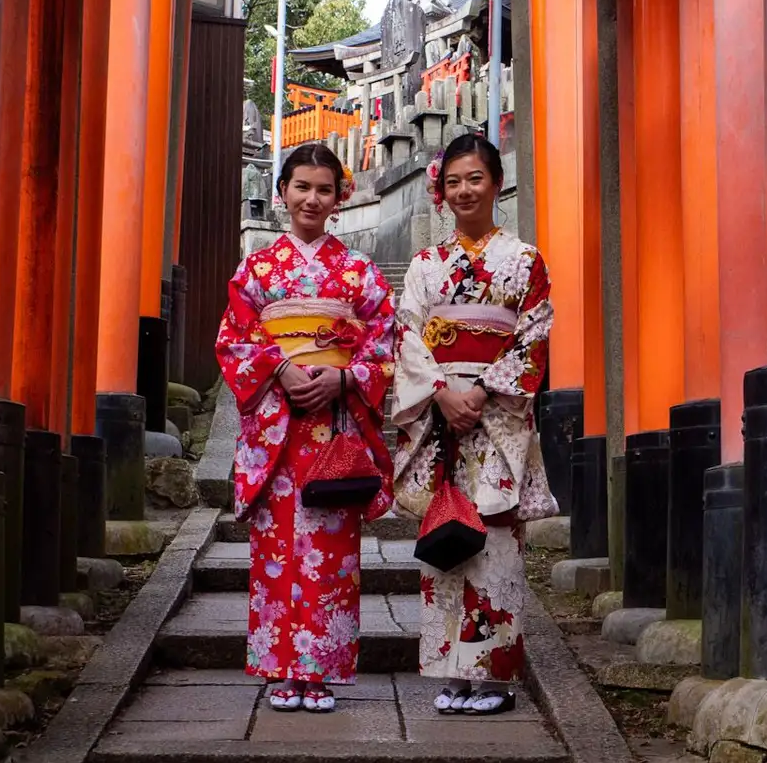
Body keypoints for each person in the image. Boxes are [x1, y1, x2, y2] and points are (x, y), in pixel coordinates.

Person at [215, 142, 396, 714]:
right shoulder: (258, 269)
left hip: (333, 429)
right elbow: (235, 339)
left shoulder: (360, 272)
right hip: (278, 429)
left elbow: (386, 339)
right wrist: (282, 368)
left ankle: (320, 671)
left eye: (324, 189)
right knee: (275, 549)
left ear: (340, 196)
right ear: (282, 194)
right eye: (301, 187)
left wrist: (346, 380)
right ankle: (280, 669)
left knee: (331, 549)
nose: (312, 199)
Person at [391, 132, 556, 716]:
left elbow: (534, 337)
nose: (464, 190)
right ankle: (450, 671)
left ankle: (493, 675)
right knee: (446, 535)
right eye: (454, 180)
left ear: (497, 183)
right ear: (442, 189)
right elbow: (406, 335)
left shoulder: (525, 260)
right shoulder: (424, 266)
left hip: (497, 414)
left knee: (497, 541)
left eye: (475, 178)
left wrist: (481, 391)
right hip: (442, 418)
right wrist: (441, 393)